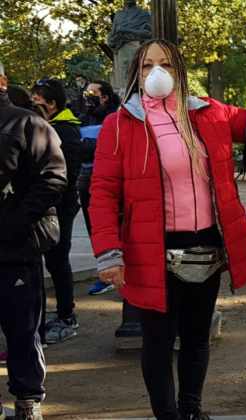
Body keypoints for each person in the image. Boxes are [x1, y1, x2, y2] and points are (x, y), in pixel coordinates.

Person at [89, 39, 246, 420]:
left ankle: (192, 410)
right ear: (137, 74)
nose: (157, 72)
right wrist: (109, 253)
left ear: (179, 70)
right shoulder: (119, 126)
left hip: (206, 245)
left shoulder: (209, 113)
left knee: (197, 338)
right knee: (157, 342)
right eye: (147, 65)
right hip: (151, 250)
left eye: (166, 64)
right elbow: (102, 193)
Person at [0, 60, 68, 420]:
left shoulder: (28, 123)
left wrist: (15, 222)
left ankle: (28, 400)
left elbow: (53, 179)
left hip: (16, 250)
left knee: (23, 330)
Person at [30, 79, 83, 344]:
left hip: (60, 206)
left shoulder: (66, 130)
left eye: (37, 100)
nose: (33, 104)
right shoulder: (53, 126)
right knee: (52, 259)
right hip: (51, 205)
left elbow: (67, 176)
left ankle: (67, 316)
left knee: (58, 259)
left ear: (51, 104)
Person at [78, 80, 121, 295]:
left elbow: (110, 148)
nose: (87, 96)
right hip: (85, 179)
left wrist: (88, 147)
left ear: (104, 96)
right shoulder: (83, 118)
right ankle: (105, 272)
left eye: (92, 93)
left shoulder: (116, 117)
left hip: (110, 180)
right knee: (95, 227)